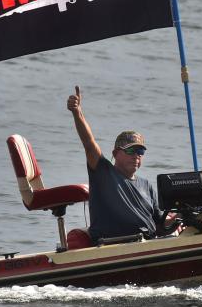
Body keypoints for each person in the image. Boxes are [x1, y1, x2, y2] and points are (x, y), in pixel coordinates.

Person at [67, 85, 161, 243]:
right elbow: (89, 143)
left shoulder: (146, 186)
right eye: (131, 151)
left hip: (148, 243)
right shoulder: (103, 172)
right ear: (115, 153)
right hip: (115, 245)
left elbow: (160, 221)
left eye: (140, 152)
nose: (136, 156)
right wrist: (77, 112)